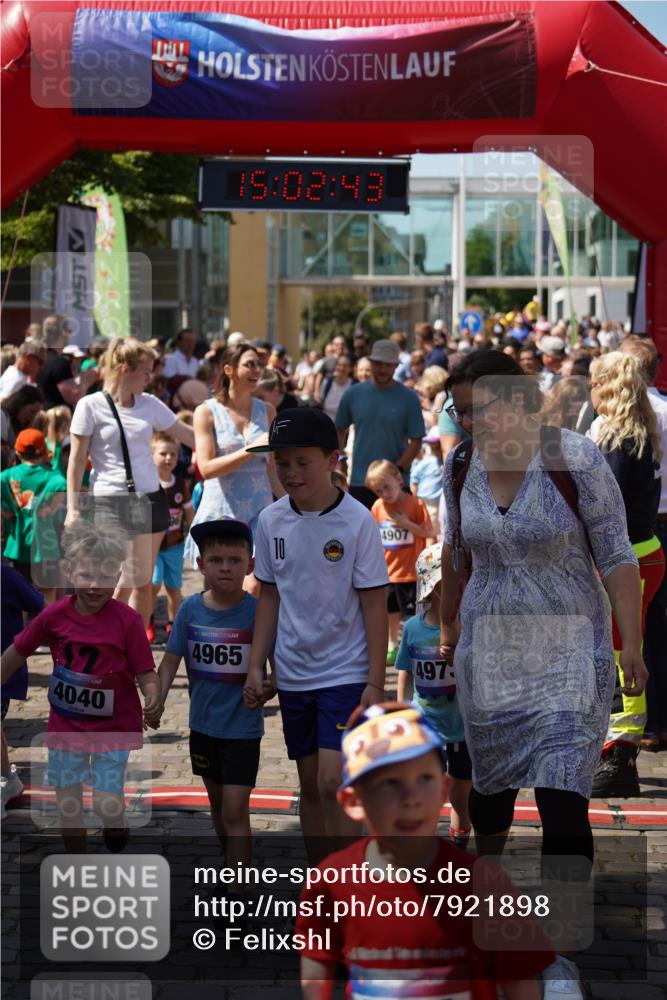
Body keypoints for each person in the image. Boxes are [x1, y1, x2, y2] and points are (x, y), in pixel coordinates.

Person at [440, 350, 645, 997]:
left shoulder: (572, 458)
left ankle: (557, 952)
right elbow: (454, 552)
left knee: (562, 800)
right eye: (461, 410)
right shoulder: (460, 463)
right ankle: (481, 910)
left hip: (568, 653)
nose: (470, 421)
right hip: (491, 654)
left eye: (481, 407)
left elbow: (616, 554)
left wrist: (630, 645)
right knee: (491, 797)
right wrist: (447, 630)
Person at [296, 702, 553, 999]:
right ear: (354, 802)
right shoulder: (329, 883)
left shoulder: (486, 885)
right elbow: (316, 970)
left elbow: (521, 983)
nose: (411, 798)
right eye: (390, 783)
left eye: (425, 779)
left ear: (445, 789)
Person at [243, 407, 388, 861]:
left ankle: (352, 886)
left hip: (345, 671)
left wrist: (375, 681)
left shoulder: (358, 520)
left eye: (302, 462)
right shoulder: (270, 521)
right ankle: (322, 878)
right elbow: (269, 597)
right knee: (309, 784)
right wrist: (256, 665)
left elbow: (373, 603)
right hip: (293, 673)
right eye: (281, 463)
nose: (290, 473)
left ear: (332, 459)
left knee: (333, 781)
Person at [0, 522, 160, 852]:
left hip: (114, 728)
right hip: (66, 726)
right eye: (87, 575)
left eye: (105, 577)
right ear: (71, 572)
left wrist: (153, 695)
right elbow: (18, 650)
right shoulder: (54, 615)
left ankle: (114, 820)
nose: (95, 586)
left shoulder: (127, 621)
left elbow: (145, 670)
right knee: (67, 805)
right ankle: (77, 863)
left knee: (105, 802)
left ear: (118, 576)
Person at [149, 520, 272, 891]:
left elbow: (278, 672)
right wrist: (157, 697)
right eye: (216, 560)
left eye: (234, 560)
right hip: (202, 728)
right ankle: (230, 862)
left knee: (236, 809)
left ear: (250, 565)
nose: (225, 568)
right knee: (218, 807)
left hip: (242, 731)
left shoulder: (259, 612)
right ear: (200, 564)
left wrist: (266, 690)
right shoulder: (189, 611)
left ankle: (236, 894)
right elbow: (170, 661)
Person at [66, 337, 195, 625]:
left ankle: (134, 646)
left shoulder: (149, 404)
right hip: (110, 500)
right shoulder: (90, 405)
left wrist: (227, 447)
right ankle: (106, 640)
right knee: (113, 579)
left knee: (141, 580)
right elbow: (76, 461)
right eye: (146, 371)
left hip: (149, 497)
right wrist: (72, 509)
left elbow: (188, 434)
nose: (151, 377)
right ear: (125, 368)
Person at [587, 352, 664, 794]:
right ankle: (617, 746)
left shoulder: (617, 439)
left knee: (622, 655)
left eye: (593, 382)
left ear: (607, 386)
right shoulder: (640, 432)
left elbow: (602, 507)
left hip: (625, 557)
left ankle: (620, 754)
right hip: (642, 551)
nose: (589, 390)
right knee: (621, 650)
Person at [397, 545, 472, 847]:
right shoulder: (413, 629)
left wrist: (458, 656)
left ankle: (459, 841)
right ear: (430, 590)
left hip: (462, 726)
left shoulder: (468, 626)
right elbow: (405, 671)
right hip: (426, 724)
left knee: (461, 790)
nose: (457, 589)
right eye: (447, 585)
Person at [185, 342, 283, 567]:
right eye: (249, 365)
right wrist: (251, 449)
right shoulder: (207, 411)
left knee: (257, 581)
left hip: (260, 509)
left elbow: (271, 469)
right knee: (218, 586)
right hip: (221, 511)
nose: (257, 370)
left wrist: (291, 504)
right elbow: (207, 469)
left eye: (259, 365)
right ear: (229, 370)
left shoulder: (267, 410)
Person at [619, 336, 667, 750]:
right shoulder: (656, 414)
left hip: (639, 535)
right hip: (651, 532)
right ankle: (653, 723)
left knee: (634, 635)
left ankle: (641, 727)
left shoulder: (627, 426)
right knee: (652, 631)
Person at [335, 339, 425, 509]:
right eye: (378, 364)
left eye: (388, 365)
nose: (383, 369)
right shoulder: (353, 394)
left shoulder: (409, 398)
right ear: (371, 363)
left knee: (399, 536)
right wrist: (340, 460)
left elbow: (416, 440)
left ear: (396, 366)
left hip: (396, 484)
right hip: (360, 482)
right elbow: (339, 428)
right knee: (360, 535)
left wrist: (397, 468)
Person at [366, 459, 431, 664]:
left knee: (412, 615)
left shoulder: (415, 504)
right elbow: (373, 535)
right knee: (390, 612)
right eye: (378, 491)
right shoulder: (378, 507)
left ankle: (413, 645)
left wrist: (405, 523)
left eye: (387, 487)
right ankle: (392, 645)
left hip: (411, 573)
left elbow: (428, 531)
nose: (385, 494)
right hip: (387, 573)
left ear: (398, 479)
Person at [1, 429, 66, 596]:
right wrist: (50, 509)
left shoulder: (7, 476)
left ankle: (25, 623)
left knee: (21, 593)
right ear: (43, 451)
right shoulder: (52, 476)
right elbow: (63, 486)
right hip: (45, 543)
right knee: (47, 591)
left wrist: (6, 514)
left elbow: (4, 509)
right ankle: (46, 622)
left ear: (17, 452)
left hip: (19, 543)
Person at [1, 565, 44, 818]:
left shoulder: (6, 577)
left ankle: (5, 781)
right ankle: (7, 777)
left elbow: (43, 609)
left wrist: (25, 642)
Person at [148, 432, 194, 644]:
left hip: (175, 545)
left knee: (174, 588)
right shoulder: (148, 484)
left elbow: (188, 512)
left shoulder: (181, 485)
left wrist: (193, 533)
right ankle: (147, 621)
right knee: (153, 584)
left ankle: (173, 626)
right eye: (163, 453)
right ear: (152, 455)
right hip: (152, 546)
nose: (168, 458)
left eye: (173, 454)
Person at [37, 316, 96, 409]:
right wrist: (88, 378)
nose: (69, 335)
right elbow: (74, 396)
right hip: (57, 419)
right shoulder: (59, 364)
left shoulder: (41, 358)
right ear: (63, 333)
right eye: (69, 331)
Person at [410, 426, 443, 537]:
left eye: (438, 448)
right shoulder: (426, 462)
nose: (436, 452)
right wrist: (415, 499)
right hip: (424, 501)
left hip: (439, 503)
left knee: (436, 531)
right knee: (429, 531)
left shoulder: (448, 462)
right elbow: (414, 480)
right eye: (433, 448)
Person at [316, 354, 354, 421]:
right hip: (327, 425)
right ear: (336, 367)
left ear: (350, 369)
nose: (342, 368)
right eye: (339, 365)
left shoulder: (354, 386)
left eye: (345, 366)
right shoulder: (327, 383)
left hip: (346, 428)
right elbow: (321, 402)